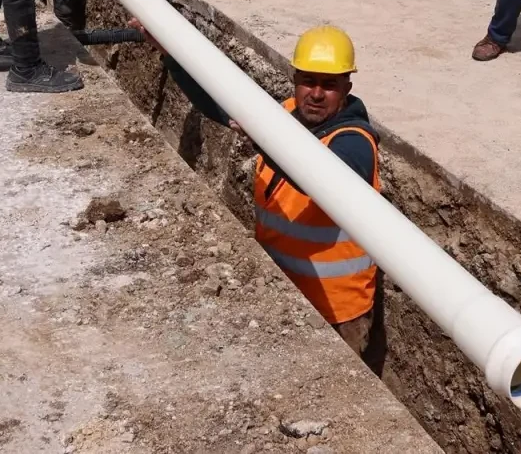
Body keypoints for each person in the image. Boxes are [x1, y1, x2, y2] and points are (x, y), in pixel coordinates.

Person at [136, 23, 386, 375]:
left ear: (346, 87)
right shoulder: (285, 114)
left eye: (329, 85)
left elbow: (328, 179)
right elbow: (219, 103)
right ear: (294, 79)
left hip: (336, 315)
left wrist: (264, 140)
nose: (316, 93)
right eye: (308, 81)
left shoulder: (353, 141)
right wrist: (172, 54)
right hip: (280, 297)